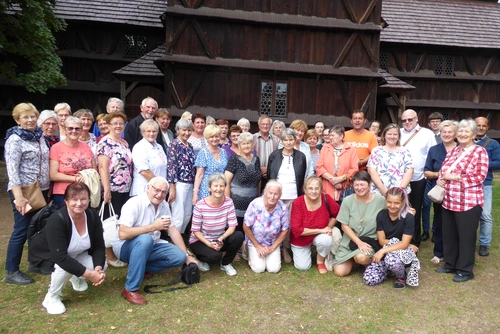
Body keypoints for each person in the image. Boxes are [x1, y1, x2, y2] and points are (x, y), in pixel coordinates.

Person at [112, 177, 198, 304]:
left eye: (163, 192)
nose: (159, 195)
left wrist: (187, 255)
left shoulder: (164, 205)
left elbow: (173, 230)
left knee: (179, 257)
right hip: (125, 247)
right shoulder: (134, 203)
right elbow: (122, 234)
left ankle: (141, 267)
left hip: (150, 244)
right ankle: (130, 289)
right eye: (157, 190)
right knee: (145, 239)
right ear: (148, 188)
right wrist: (153, 227)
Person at [29, 183, 106, 315]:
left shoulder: (93, 217)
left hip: (74, 253)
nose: (79, 203)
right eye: (74, 199)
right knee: (64, 266)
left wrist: (97, 268)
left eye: (83, 199)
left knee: (102, 266)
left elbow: (99, 245)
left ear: (89, 200)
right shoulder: (56, 220)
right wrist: (89, 275)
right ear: (66, 201)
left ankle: (75, 276)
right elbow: (60, 258)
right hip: (50, 256)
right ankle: (52, 297)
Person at [435, 119, 488, 283]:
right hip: (449, 200)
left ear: (473, 134)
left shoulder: (480, 152)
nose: (463, 134)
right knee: (449, 234)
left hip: (469, 202)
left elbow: (480, 176)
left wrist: (456, 177)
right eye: (460, 131)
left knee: (466, 237)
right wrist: (440, 179)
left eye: (467, 131)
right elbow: (443, 171)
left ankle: (465, 270)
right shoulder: (452, 152)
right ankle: (450, 263)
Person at [4, 103, 50, 285]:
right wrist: (19, 197)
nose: (30, 120)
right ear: (17, 120)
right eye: (25, 117)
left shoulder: (38, 136)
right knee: (21, 230)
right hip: (24, 190)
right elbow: (12, 170)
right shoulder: (15, 140)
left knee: (36, 227)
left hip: (41, 189)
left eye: (32, 116)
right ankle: (12, 271)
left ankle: (35, 263)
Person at [362, 187, 419, 290]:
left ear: (402, 203)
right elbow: (381, 240)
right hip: (388, 251)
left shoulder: (408, 217)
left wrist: (383, 250)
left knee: (390, 260)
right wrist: (401, 243)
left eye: (396, 203)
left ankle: (401, 277)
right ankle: (390, 271)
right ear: (385, 201)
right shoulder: (381, 215)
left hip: (403, 253)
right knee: (369, 279)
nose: (392, 206)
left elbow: (404, 245)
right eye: (389, 202)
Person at [189, 173, 244, 276]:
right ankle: (199, 258)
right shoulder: (200, 205)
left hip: (219, 238)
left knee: (239, 236)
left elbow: (232, 226)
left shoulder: (229, 202)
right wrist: (209, 244)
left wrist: (221, 238)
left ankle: (226, 263)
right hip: (199, 240)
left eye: (221, 186)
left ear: (225, 187)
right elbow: (195, 231)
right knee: (215, 257)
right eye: (215, 186)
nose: (218, 189)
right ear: (209, 188)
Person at [333, 171, 386, 277]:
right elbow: (344, 225)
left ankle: (365, 260)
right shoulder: (348, 200)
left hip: (369, 241)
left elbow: (394, 209)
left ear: (370, 185)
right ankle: (354, 258)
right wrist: (359, 243)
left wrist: (408, 210)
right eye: (356, 185)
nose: (359, 188)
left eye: (362, 184)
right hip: (350, 240)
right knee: (340, 272)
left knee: (362, 258)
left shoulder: (380, 200)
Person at [97, 112, 132, 267]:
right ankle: (109, 255)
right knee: (109, 222)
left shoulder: (124, 142)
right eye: (115, 123)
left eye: (121, 123)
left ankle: (118, 251)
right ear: (108, 125)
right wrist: (107, 190)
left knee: (120, 220)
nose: (118, 126)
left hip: (126, 188)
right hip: (113, 188)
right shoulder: (105, 143)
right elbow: (103, 168)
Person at [268, 128, 308, 263]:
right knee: (275, 222)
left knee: (288, 223)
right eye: (286, 139)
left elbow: (302, 176)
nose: (289, 142)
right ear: (282, 141)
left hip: (293, 195)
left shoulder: (301, 156)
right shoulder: (274, 155)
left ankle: (285, 248)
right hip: (276, 195)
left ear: (295, 140)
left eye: (291, 139)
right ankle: (274, 248)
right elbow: (270, 176)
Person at [400, 109, 436, 246]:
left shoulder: (427, 134)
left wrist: (428, 173)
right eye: (404, 120)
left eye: (410, 119)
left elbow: (431, 154)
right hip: (400, 178)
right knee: (398, 208)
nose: (407, 122)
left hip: (418, 178)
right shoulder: (398, 132)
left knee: (415, 209)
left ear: (416, 119)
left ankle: (414, 241)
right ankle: (399, 237)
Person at [290, 176, 340, 273]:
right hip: (301, 239)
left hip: (320, 236)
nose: (314, 191)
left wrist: (328, 228)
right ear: (304, 189)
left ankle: (320, 261)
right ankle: (306, 252)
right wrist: (321, 230)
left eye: (317, 188)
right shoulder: (297, 203)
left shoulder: (326, 198)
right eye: (310, 188)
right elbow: (297, 230)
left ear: (321, 189)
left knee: (326, 239)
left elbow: (337, 213)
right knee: (303, 266)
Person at [424, 120, 458, 264]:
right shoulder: (434, 150)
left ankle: (456, 253)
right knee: (439, 222)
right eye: (444, 131)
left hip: (458, 192)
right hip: (440, 192)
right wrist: (440, 175)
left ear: (455, 134)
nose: (446, 134)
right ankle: (439, 252)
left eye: (450, 132)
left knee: (457, 223)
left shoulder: (462, 150)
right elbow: (426, 172)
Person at [49, 116, 96, 209]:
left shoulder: (86, 147)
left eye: (77, 128)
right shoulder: (56, 148)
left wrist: (88, 177)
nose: (74, 131)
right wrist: (76, 179)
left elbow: (94, 168)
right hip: (64, 193)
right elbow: (53, 175)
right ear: (64, 129)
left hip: (84, 193)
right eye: (70, 128)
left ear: (81, 130)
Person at [243, 180, 289, 273]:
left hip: (272, 243)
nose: (272, 197)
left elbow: (285, 230)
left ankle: (268, 254)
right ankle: (247, 248)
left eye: (276, 194)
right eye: (270, 193)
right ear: (265, 192)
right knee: (259, 269)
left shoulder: (283, 208)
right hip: (255, 241)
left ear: (280, 196)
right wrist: (257, 246)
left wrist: (273, 247)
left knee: (274, 269)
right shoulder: (255, 204)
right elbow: (246, 226)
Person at [224, 132, 262, 231]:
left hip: (252, 203)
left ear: (253, 145)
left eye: (248, 143)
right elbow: (226, 181)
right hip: (236, 204)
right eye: (243, 144)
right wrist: (228, 203)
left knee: (250, 230)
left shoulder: (256, 159)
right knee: (237, 231)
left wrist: (258, 197)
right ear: (239, 146)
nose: (246, 146)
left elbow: (259, 180)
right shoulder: (234, 159)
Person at [475, 117, 500, 257]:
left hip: (485, 183)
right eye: (478, 125)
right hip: (467, 184)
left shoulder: (493, 144)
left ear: (487, 127)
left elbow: (498, 163)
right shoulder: (466, 141)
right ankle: (468, 240)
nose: (480, 127)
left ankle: (484, 243)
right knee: (469, 215)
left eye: (483, 126)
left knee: (485, 215)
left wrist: (480, 161)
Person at [167, 119, 196, 234]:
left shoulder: (190, 145)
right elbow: (171, 166)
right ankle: (175, 242)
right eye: (184, 130)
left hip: (190, 183)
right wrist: (172, 187)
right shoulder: (174, 144)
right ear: (178, 130)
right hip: (179, 183)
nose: (187, 133)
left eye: (189, 130)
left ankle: (180, 238)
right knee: (178, 214)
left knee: (187, 213)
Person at [367, 123, 414, 196]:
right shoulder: (377, 150)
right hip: (379, 192)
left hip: (399, 193)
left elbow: (409, 171)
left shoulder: (405, 151)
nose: (392, 137)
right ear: (384, 135)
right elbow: (371, 170)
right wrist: (382, 189)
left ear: (399, 137)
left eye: (395, 134)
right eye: (389, 134)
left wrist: (399, 190)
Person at [316, 125, 358, 203]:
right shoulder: (325, 148)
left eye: (332, 135)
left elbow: (354, 169)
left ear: (341, 136)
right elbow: (319, 167)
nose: (330, 137)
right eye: (329, 135)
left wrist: (340, 179)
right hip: (327, 189)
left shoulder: (351, 149)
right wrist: (332, 179)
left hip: (344, 189)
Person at [421, 112, 445, 241]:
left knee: (438, 205)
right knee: (425, 204)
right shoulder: (426, 136)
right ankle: (425, 230)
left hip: (441, 179)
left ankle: (436, 230)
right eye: (433, 121)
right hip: (428, 175)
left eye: (438, 121)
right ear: (429, 124)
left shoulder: (445, 137)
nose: (435, 123)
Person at [130, 120, 167, 197]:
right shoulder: (139, 147)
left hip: (158, 192)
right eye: (148, 131)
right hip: (144, 191)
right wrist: (158, 186)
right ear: (143, 132)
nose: (151, 134)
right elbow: (144, 171)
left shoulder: (159, 147)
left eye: (154, 131)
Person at [192, 124, 228, 203]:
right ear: (207, 138)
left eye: (216, 136)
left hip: (220, 189)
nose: (214, 139)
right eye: (211, 137)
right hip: (207, 189)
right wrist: (195, 194)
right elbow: (199, 175)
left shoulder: (223, 152)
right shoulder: (203, 153)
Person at [253, 115, 280, 183]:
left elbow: (278, 157)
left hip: (271, 174)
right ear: (259, 125)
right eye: (263, 124)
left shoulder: (276, 140)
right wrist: (259, 168)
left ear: (270, 126)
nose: (265, 126)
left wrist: (268, 168)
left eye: (267, 124)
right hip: (255, 173)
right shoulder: (252, 138)